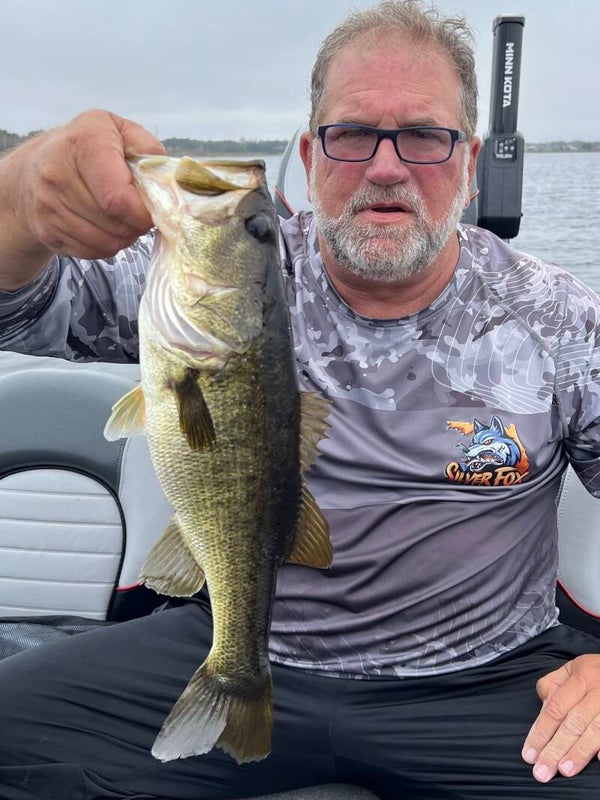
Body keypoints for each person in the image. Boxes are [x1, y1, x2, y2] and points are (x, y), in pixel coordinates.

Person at [0, 1, 599, 797]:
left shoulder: (557, 317)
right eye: (353, 134)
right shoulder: (225, 260)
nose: (386, 168)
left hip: (486, 677)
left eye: (425, 136)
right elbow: (20, 305)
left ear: (470, 162)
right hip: (232, 638)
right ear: (312, 156)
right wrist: (20, 201)